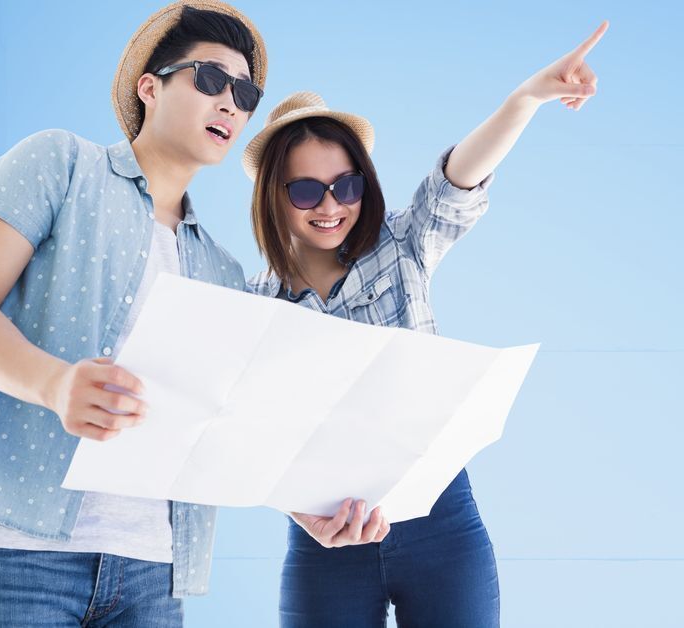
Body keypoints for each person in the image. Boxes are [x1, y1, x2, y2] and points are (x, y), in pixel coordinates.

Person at [0, 2, 380, 625]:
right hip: (14, 545)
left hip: (152, 571)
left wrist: (300, 504)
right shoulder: (59, 164)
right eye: (210, 79)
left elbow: (215, 424)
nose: (231, 102)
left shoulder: (222, 273)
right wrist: (55, 383)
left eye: (245, 92)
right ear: (150, 85)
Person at [243, 21, 608, 627]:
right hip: (323, 542)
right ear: (274, 197)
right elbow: (242, 436)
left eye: (346, 185)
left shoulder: (403, 245)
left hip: (441, 523)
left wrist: (526, 98)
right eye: (306, 190)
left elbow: (457, 180)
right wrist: (297, 508)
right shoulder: (253, 304)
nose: (331, 206)